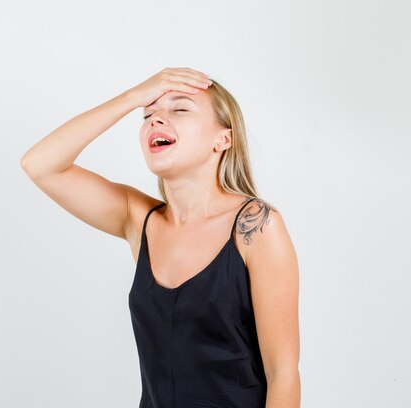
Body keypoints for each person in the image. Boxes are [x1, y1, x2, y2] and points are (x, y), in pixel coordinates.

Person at [21, 67, 300, 407]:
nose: (155, 120)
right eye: (148, 114)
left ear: (223, 138)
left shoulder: (256, 226)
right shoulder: (139, 219)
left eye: (179, 109)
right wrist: (131, 97)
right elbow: (40, 164)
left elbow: (282, 373)